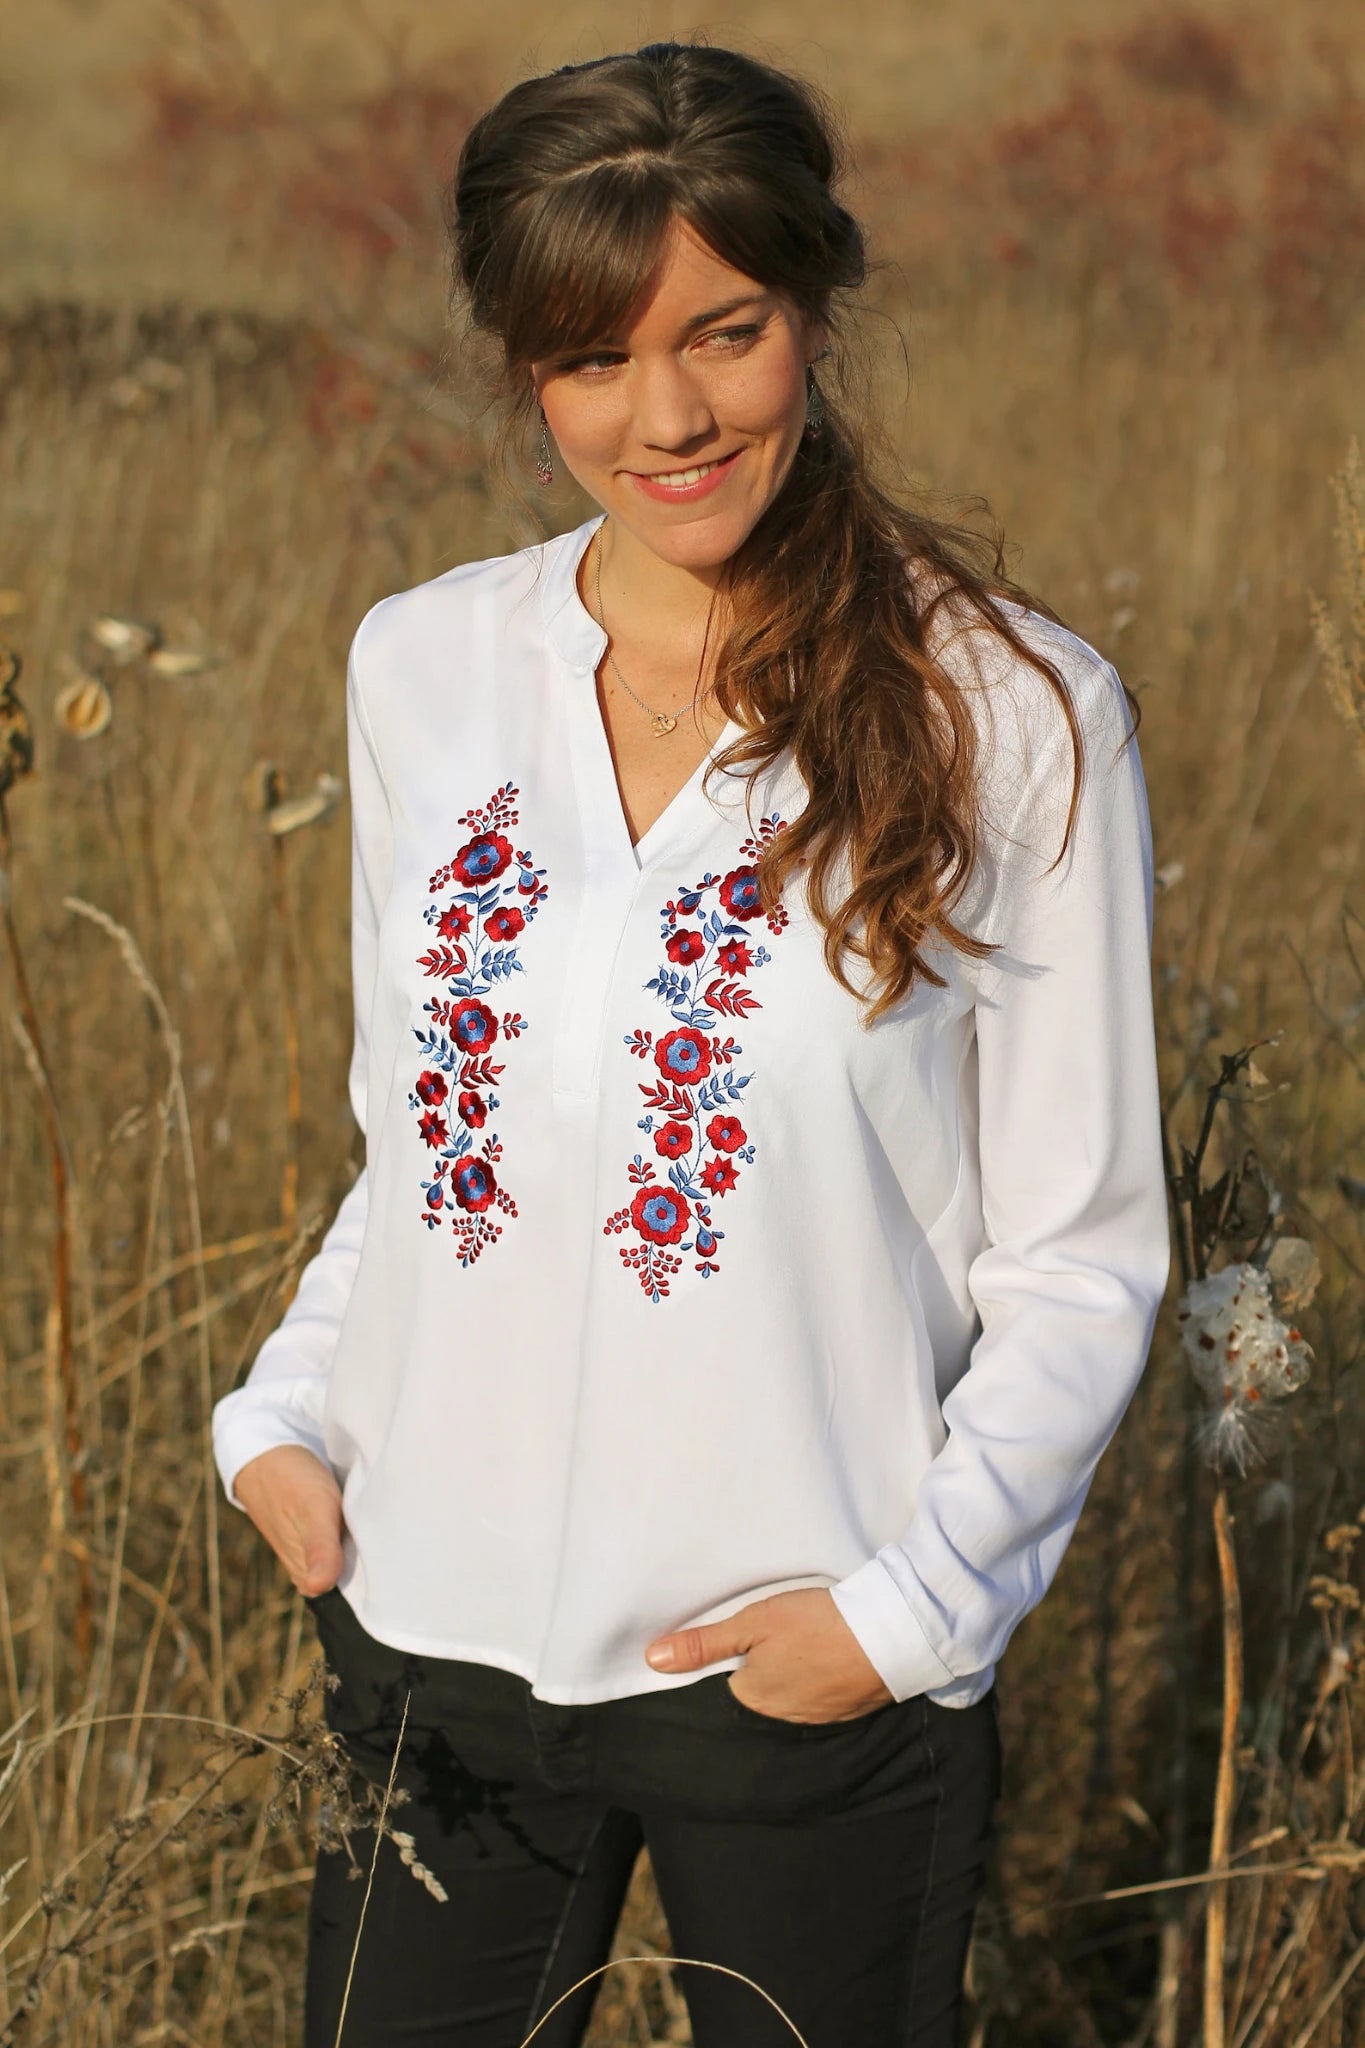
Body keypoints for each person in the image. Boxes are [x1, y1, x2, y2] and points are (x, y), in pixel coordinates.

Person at [212, 40, 1170, 2048]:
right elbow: (432, 1140)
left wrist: (900, 1618)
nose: (666, 416)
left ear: (809, 306)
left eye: (722, 332)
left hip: (801, 1663)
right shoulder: (425, 666)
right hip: (429, 1633)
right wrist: (287, 1413)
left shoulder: (1013, 712)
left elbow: (1078, 1254)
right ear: (521, 367)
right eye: (590, 358)